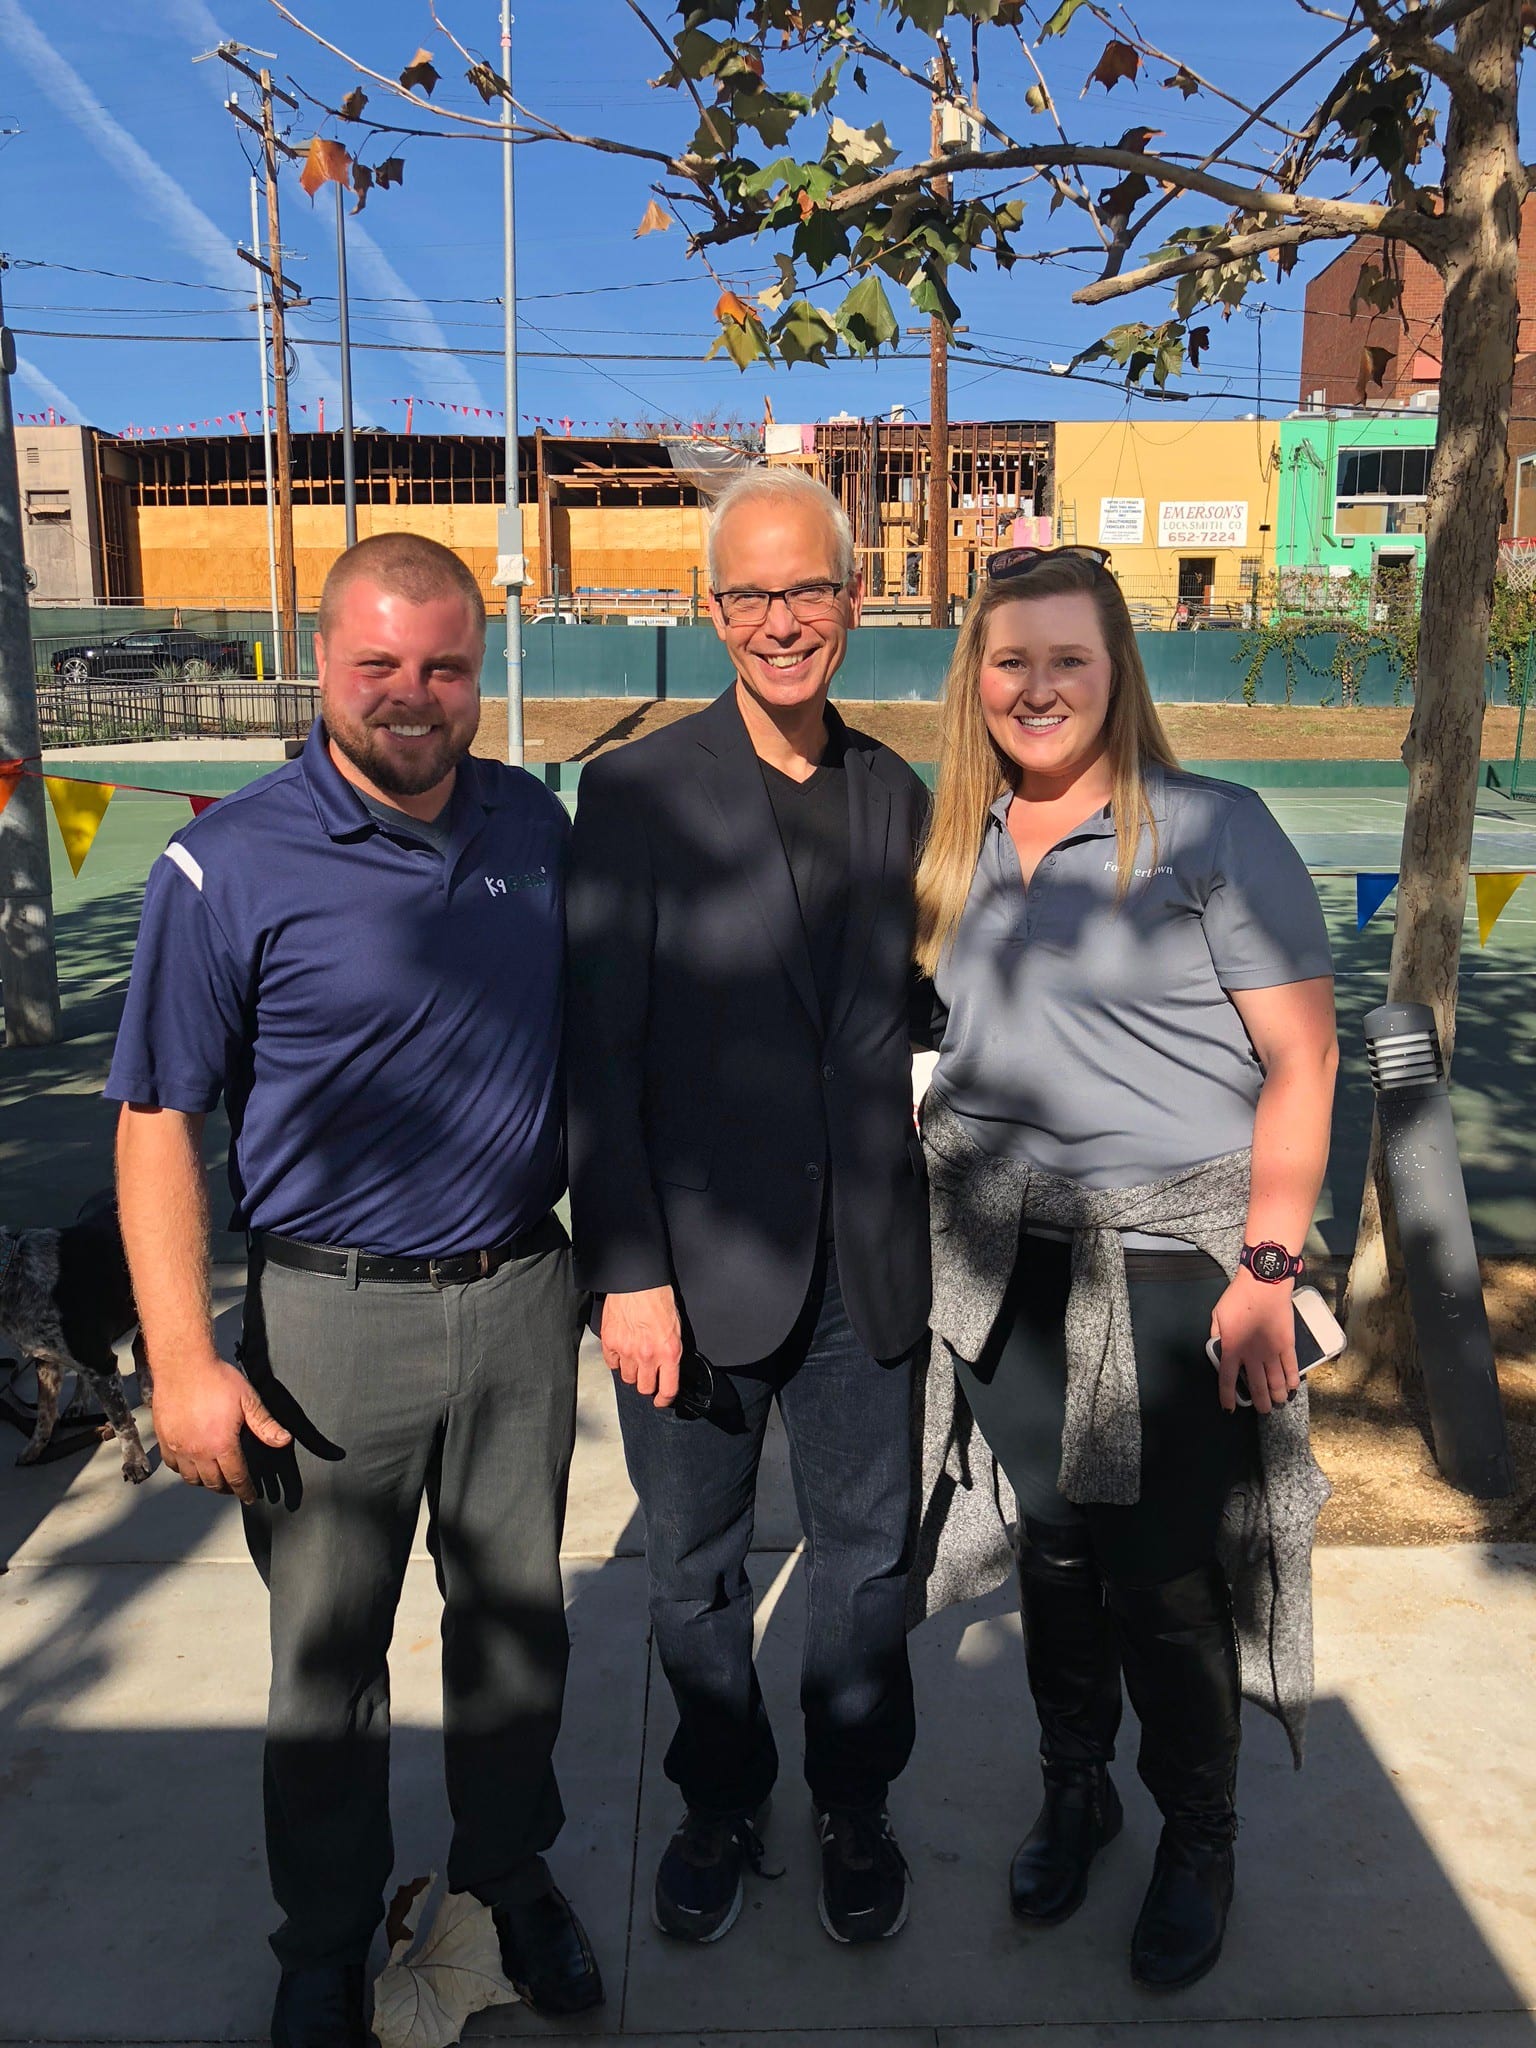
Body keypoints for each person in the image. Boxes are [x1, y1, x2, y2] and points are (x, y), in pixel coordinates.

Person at [107, 534, 603, 2047]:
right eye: (377, 665)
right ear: (321, 660)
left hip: (524, 1294)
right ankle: (324, 1936)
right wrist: (186, 1362)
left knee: (517, 1633)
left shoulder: (537, 825)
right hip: (329, 1323)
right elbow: (155, 1120)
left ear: (477, 671)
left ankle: (508, 1876)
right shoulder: (226, 861)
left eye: (444, 668)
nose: (412, 697)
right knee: (327, 1665)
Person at [911, 545, 1336, 1991]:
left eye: (1068, 660)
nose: (1036, 687)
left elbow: (1303, 1057)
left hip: (1168, 1273)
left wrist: (1268, 1267)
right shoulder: (953, 844)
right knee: (1059, 1552)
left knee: (1167, 1582)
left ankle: (1199, 1834)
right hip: (1005, 1266)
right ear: (975, 677)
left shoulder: (1212, 830)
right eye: (1008, 659)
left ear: (1117, 675)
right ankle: (1074, 1785)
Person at [565, 468, 930, 1947]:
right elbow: (598, 1054)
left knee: (867, 1569)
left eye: (811, 591)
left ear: (855, 599)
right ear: (713, 610)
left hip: (866, 1272)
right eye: (753, 595)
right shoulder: (639, 792)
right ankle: (721, 1795)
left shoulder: (902, 794)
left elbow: (938, 1014)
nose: (784, 622)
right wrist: (626, 1271)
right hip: (695, 1273)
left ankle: (854, 1795)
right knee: (694, 1573)